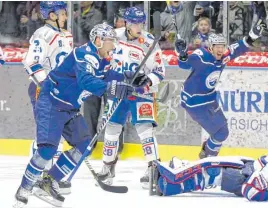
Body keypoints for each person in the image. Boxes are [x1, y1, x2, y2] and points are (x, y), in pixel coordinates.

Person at [13, 23, 139, 208]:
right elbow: (86, 81)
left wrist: (130, 76)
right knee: (47, 149)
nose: (114, 45)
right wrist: (113, 88)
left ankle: (49, 181)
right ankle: (24, 189)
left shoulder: (102, 58)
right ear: (98, 41)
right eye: (110, 41)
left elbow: (108, 74)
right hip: (51, 103)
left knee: (84, 144)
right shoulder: (84, 55)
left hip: (69, 108)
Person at [174, 20, 268, 159]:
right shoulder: (201, 56)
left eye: (222, 46)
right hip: (194, 102)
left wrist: (253, 35)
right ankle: (207, 159)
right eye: (217, 46)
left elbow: (239, 47)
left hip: (209, 98)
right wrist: (181, 52)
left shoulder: (224, 56)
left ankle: (206, 153)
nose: (220, 49)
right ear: (210, 47)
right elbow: (184, 64)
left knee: (222, 131)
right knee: (221, 133)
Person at [97, 6, 165, 189]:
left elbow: (160, 71)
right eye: (134, 23)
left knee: (144, 129)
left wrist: (146, 80)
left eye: (141, 22)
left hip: (140, 92)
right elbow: (102, 57)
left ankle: (153, 168)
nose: (138, 26)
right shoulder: (114, 36)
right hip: (117, 89)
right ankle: (107, 167)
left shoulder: (149, 41)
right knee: (111, 128)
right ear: (126, 22)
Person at [149, 132, 268, 201]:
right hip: (251, 166)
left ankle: (169, 185)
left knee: (214, 173)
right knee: (216, 162)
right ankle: (183, 166)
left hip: (248, 178)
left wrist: (263, 186)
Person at [22, 1, 73, 194]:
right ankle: (38, 177)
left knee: (57, 134)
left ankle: (50, 178)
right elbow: (31, 62)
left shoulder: (66, 35)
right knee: (47, 135)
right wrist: (47, 84)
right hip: (43, 90)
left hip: (63, 92)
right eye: (62, 13)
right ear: (51, 15)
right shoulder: (42, 35)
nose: (65, 17)